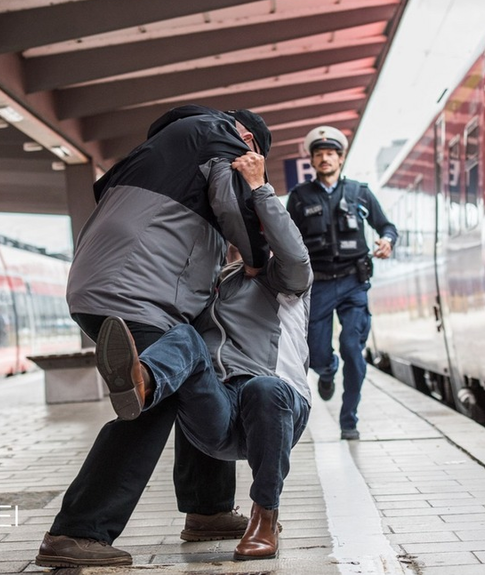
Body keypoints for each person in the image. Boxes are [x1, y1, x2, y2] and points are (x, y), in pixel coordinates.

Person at [36, 105, 273, 568]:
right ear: (251, 137)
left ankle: (209, 509)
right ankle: (77, 531)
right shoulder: (223, 135)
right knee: (150, 397)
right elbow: (235, 206)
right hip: (138, 292)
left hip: (98, 284)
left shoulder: (157, 151)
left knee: (196, 373)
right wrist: (259, 257)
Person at [93, 154, 312, 560]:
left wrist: (260, 188)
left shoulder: (285, 281)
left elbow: (296, 257)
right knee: (185, 337)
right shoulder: (206, 287)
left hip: (276, 405)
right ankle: (142, 382)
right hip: (218, 414)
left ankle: (265, 517)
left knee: (264, 388)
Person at [286, 125, 397, 441]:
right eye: (319, 154)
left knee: (352, 346)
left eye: (330, 154)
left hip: (353, 282)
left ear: (340, 158)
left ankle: (349, 419)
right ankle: (327, 371)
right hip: (318, 286)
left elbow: (386, 226)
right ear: (312, 160)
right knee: (317, 355)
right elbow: (285, 235)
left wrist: (387, 241)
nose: (324, 159)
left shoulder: (360, 193)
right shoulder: (299, 197)